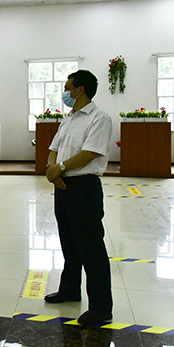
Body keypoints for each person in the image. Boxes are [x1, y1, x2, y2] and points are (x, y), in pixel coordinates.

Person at [44, 69, 113, 326]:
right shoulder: (69, 118)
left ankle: (101, 307)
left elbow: (89, 153)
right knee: (69, 244)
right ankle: (70, 289)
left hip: (84, 187)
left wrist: (59, 168)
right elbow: (53, 148)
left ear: (79, 89)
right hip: (63, 186)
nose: (64, 93)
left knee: (90, 247)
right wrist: (54, 171)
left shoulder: (99, 118)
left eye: (67, 88)